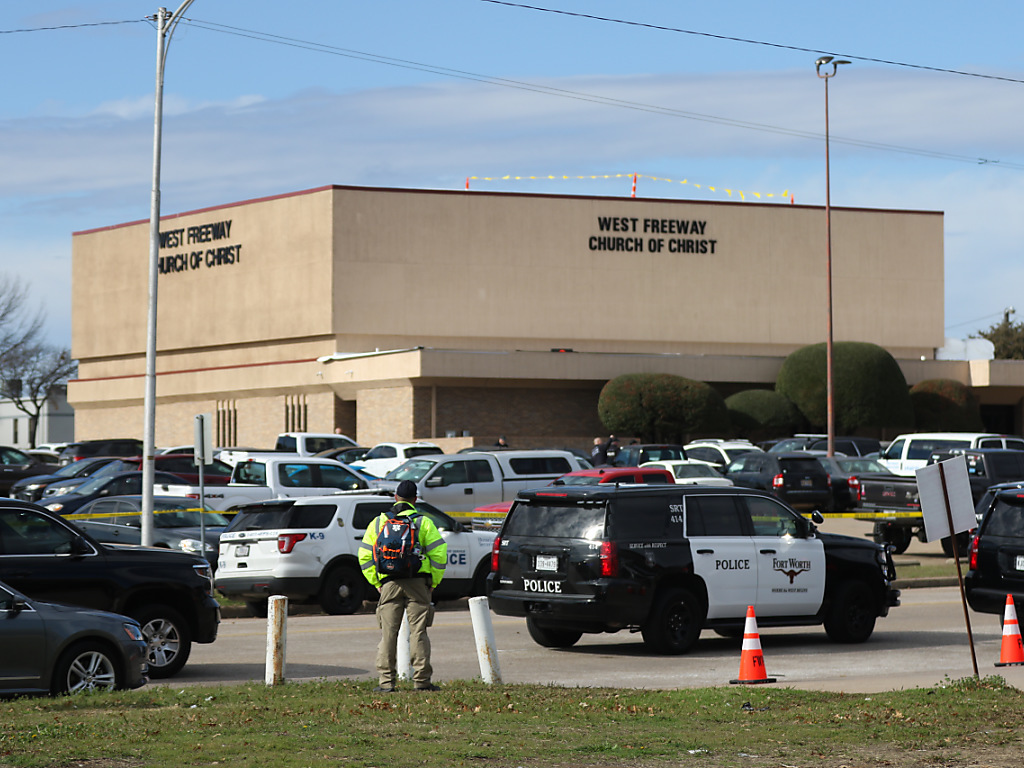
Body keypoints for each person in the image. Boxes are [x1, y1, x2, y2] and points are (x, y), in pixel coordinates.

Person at [358, 480, 448, 692]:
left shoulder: (379, 522)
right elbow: (439, 554)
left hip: (389, 582)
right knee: (418, 632)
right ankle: (422, 681)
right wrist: (433, 581)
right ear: (415, 500)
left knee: (388, 634)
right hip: (418, 583)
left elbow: (364, 555)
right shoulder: (423, 522)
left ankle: (386, 683)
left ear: (396, 498)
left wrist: (377, 581)